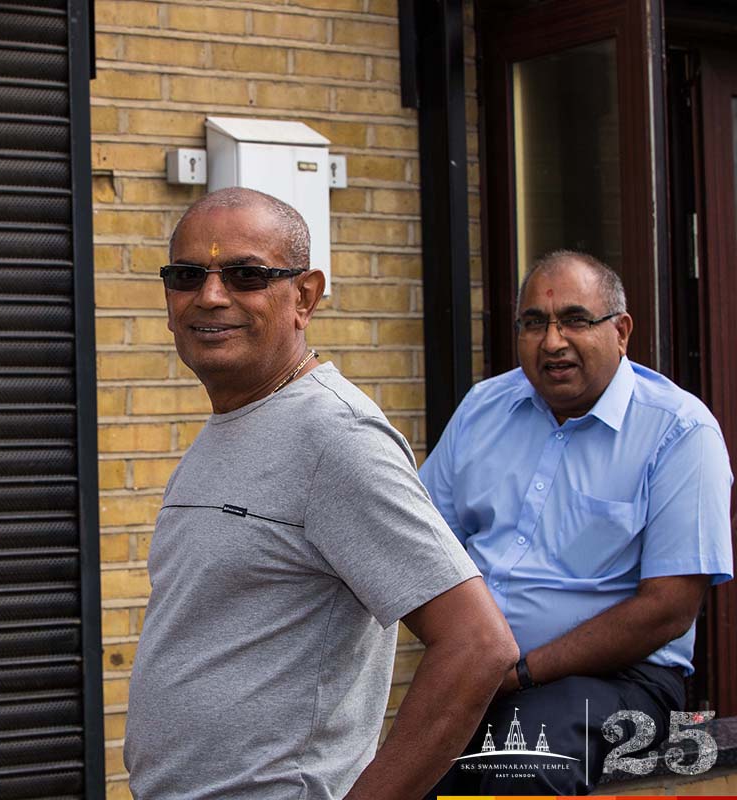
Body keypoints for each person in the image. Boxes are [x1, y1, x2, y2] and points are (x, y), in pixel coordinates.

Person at [122, 187, 518, 800]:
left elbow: (478, 646)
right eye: (186, 274)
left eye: (246, 275)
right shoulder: (234, 423)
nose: (210, 295)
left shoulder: (336, 438)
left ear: (304, 296)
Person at [420, 250, 733, 795]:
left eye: (574, 320)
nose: (552, 341)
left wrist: (519, 672)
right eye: (534, 323)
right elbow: (421, 545)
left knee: (511, 769)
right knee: (403, 777)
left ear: (621, 331)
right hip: (477, 672)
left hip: (621, 681)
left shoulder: (679, 431)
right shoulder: (483, 409)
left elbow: (669, 610)